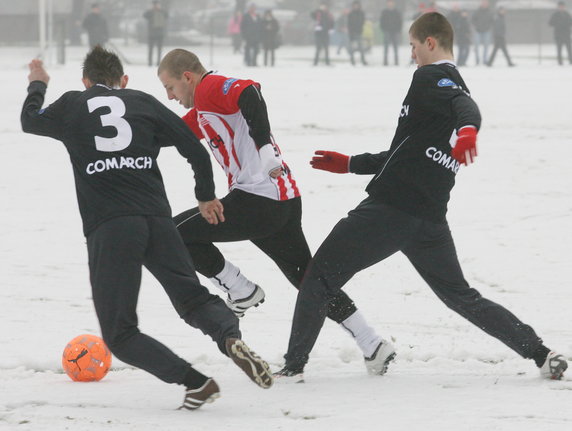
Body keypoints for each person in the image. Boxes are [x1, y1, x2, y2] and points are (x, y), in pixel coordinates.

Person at [276, 12, 568, 382]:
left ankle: (292, 368)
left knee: (318, 278)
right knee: (461, 297)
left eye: (413, 46)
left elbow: (467, 111)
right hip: (428, 218)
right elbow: (404, 152)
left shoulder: (431, 77)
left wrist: (468, 131)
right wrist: (351, 163)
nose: (411, 54)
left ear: (430, 42)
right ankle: (542, 354)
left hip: (390, 209)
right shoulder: (451, 87)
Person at [20, 47, 273, 410]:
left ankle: (196, 383)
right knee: (193, 299)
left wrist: (38, 85)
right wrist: (205, 194)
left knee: (120, 333)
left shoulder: (73, 105)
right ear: (123, 81)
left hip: (111, 226)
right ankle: (229, 336)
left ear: (85, 81)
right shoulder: (142, 102)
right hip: (157, 219)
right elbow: (195, 149)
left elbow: (30, 120)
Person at [157, 48, 391, 381]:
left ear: (188, 77)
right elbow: (169, 134)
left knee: (175, 233)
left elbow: (250, 92)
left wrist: (265, 150)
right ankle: (372, 342)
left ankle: (240, 289)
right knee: (308, 281)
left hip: (258, 201)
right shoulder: (203, 111)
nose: (170, 96)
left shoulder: (209, 88)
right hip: (280, 200)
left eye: (171, 88)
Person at [143, 0, 168, 67]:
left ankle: (158, 62)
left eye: (157, 4)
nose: (156, 6)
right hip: (151, 34)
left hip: (160, 34)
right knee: (150, 49)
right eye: (154, 4)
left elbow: (167, 15)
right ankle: (150, 63)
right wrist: (151, 10)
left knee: (159, 49)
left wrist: (160, 9)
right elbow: (144, 15)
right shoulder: (150, 12)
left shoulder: (162, 11)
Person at [379, 0, 403, 66]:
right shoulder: (384, 12)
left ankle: (396, 61)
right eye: (389, 2)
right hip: (387, 31)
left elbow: (400, 22)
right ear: (387, 3)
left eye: (391, 2)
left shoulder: (397, 12)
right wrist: (384, 29)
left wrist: (398, 30)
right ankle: (385, 62)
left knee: (395, 47)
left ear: (394, 3)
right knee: (386, 47)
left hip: (395, 32)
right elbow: (381, 21)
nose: (390, 4)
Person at [311, 1, 335, 66]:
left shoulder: (329, 14)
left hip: (326, 33)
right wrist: (318, 11)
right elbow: (312, 16)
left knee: (326, 48)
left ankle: (327, 62)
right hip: (318, 33)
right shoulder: (317, 13)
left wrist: (331, 29)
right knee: (318, 48)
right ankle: (315, 62)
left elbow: (332, 22)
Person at [549, 1, 572, 66]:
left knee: (569, 49)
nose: (561, 7)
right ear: (558, 7)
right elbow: (550, 23)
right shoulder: (555, 15)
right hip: (558, 35)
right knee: (559, 49)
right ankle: (560, 62)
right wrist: (558, 24)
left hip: (566, 35)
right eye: (560, 6)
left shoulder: (567, 14)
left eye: (563, 6)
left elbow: (570, 22)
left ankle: (570, 61)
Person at [471, 0, 494, 65]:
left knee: (486, 46)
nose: (484, 4)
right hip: (478, 31)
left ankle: (485, 60)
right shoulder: (477, 11)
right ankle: (477, 60)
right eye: (483, 3)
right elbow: (473, 20)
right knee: (476, 46)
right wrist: (476, 26)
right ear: (481, 4)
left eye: (486, 3)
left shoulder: (490, 12)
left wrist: (489, 26)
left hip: (486, 31)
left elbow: (492, 21)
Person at [347, 1, 367, 66]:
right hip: (352, 33)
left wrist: (360, 29)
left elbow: (363, 22)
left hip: (359, 32)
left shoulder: (361, 13)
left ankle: (363, 60)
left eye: (357, 5)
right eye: (354, 5)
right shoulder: (351, 14)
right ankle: (352, 60)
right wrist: (350, 33)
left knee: (361, 47)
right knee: (352, 48)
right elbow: (349, 24)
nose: (356, 6)